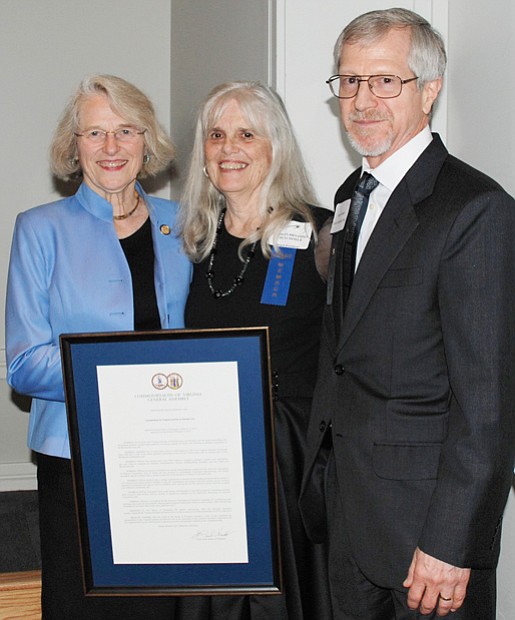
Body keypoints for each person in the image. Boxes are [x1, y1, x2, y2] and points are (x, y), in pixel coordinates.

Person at [299, 8, 515, 620]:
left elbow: (489, 405)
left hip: (428, 541)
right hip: (348, 518)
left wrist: (452, 542)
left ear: (429, 90)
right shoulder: (348, 198)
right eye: (349, 81)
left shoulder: (475, 210)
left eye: (384, 80)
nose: (362, 100)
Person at [5, 74, 191, 619]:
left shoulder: (184, 225)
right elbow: (23, 362)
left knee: (164, 600)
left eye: (126, 131)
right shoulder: (39, 230)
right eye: (94, 133)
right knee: (83, 601)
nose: (111, 147)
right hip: (76, 452)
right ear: (74, 146)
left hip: (171, 451)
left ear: (146, 142)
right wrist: (122, 380)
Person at [173, 81, 333, 619]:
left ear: (276, 146)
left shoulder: (321, 235)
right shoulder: (191, 241)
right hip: (209, 458)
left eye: (246, 133)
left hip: (286, 461)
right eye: (216, 135)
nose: (228, 148)